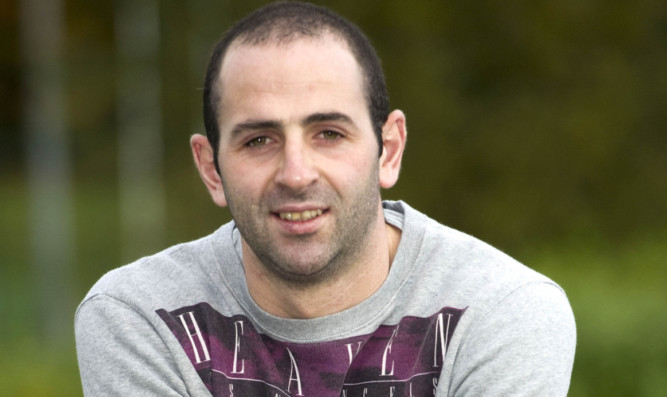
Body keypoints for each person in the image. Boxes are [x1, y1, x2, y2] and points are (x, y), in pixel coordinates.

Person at [75, 2, 576, 396]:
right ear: (211, 169)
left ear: (389, 150)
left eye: (329, 133)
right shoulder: (138, 317)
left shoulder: (500, 313)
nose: (295, 174)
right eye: (258, 141)